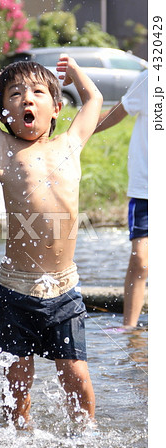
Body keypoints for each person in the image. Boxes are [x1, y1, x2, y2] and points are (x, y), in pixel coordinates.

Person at [0, 56, 103, 428]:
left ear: (56, 108)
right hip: (16, 290)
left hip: (64, 289)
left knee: (75, 373)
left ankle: (85, 435)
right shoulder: (4, 150)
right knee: (18, 379)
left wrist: (75, 74)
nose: (27, 99)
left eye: (38, 93)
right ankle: (17, 437)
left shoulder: (70, 144)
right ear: (2, 112)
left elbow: (94, 101)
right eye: (15, 94)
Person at [94, 69, 148, 329]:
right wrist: (82, 132)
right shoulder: (150, 78)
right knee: (141, 259)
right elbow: (119, 111)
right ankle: (130, 328)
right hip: (146, 189)